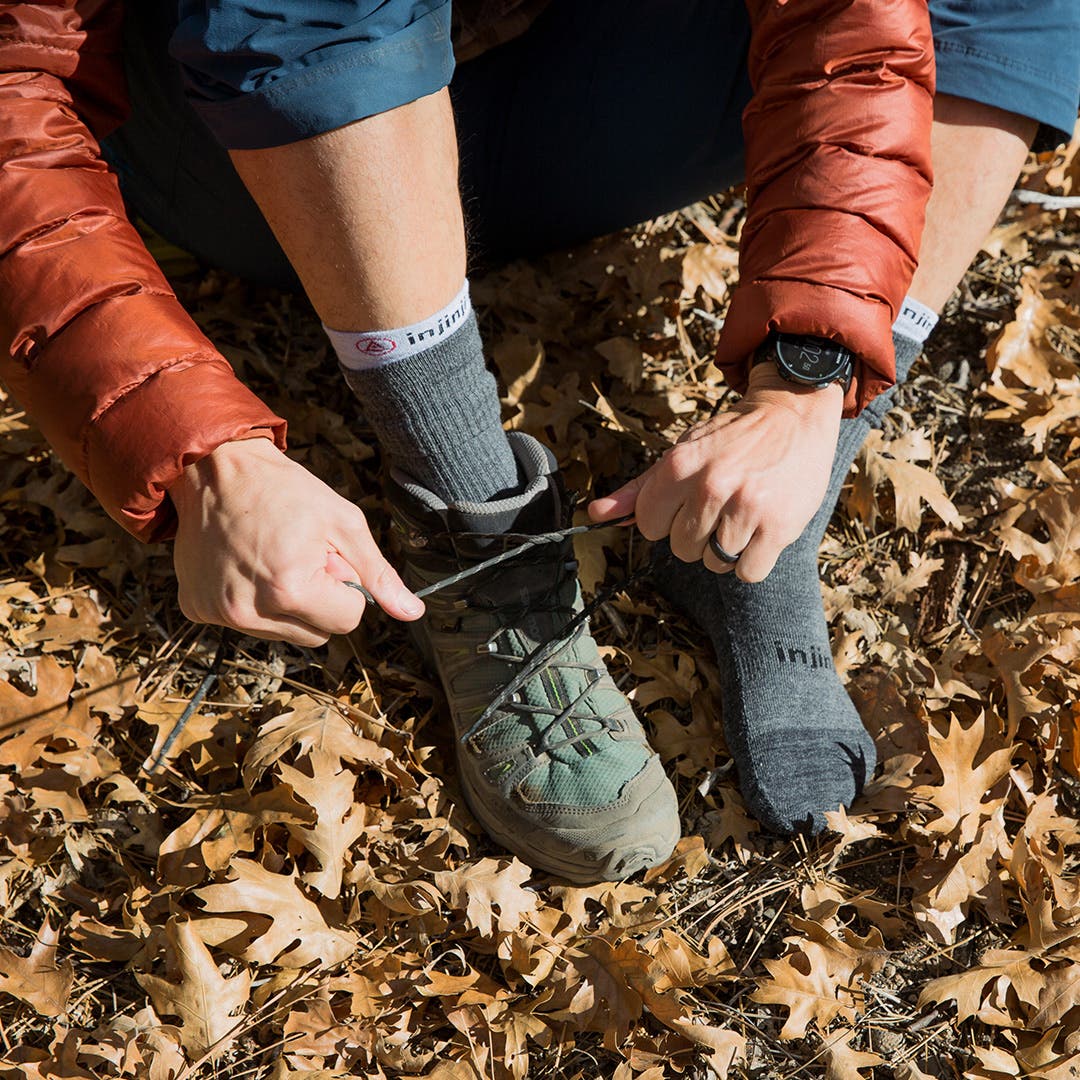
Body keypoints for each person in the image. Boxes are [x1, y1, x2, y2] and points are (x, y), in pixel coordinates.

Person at [1, 2, 1076, 883]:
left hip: (580, 92)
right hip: (260, 150)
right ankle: (471, 525)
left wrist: (807, 387)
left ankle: (757, 537)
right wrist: (204, 458)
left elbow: (851, 23)